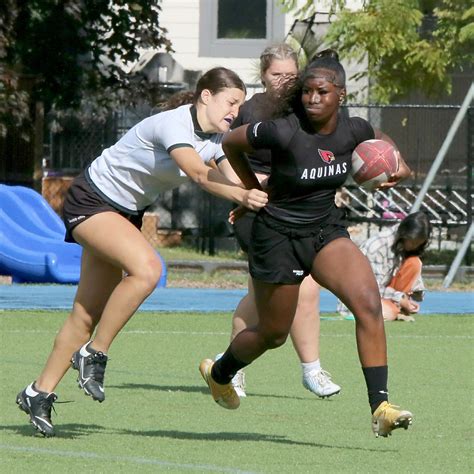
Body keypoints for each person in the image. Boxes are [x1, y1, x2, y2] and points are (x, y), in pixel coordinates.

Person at [15, 67, 268, 437]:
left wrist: (287, 186)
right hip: (92, 199)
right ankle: (93, 353)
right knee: (147, 269)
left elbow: (240, 180)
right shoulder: (173, 124)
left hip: (122, 214)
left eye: (240, 105)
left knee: (85, 314)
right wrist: (243, 196)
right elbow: (199, 174)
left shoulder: (217, 138)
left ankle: (39, 392)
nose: (235, 110)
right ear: (206, 96)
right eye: (231, 102)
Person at [199, 50, 414, 438]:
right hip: (276, 235)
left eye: (322, 92)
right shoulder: (282, 129)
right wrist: (250, 189)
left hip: (324, 231)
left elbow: (387, 149)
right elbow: (230, 144)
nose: (313, 99)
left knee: (367, 303)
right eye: (307, 93)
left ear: (341, 95)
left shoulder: (355, 129)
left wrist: (397, 167)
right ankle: (219, 373)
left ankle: (380, 406)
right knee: (273, 334)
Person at [222, 43, 340, 398]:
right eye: (278, 75)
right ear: (263, 75)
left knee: (306, 287)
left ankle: (312, 369)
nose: (285, 81)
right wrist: (244, 190)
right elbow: (222, 153)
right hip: (258, 208)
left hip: (300, 210)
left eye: (291, 75)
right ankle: (232, 367)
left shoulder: (308, 110)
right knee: (264, 296)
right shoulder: (251, 109)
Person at [341, 212, 431, 322]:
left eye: (419, 243)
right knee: (387, 313)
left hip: (384, 294)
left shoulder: (403, 245)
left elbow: (414, 284)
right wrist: (400, 298)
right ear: (404, 234)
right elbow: (371, 288)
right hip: (359, 297)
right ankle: (394, 310)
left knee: (414, 262)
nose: (414, 246)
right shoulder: (377, 247)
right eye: (412, 242)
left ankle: (396, 309)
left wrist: (409, 297)